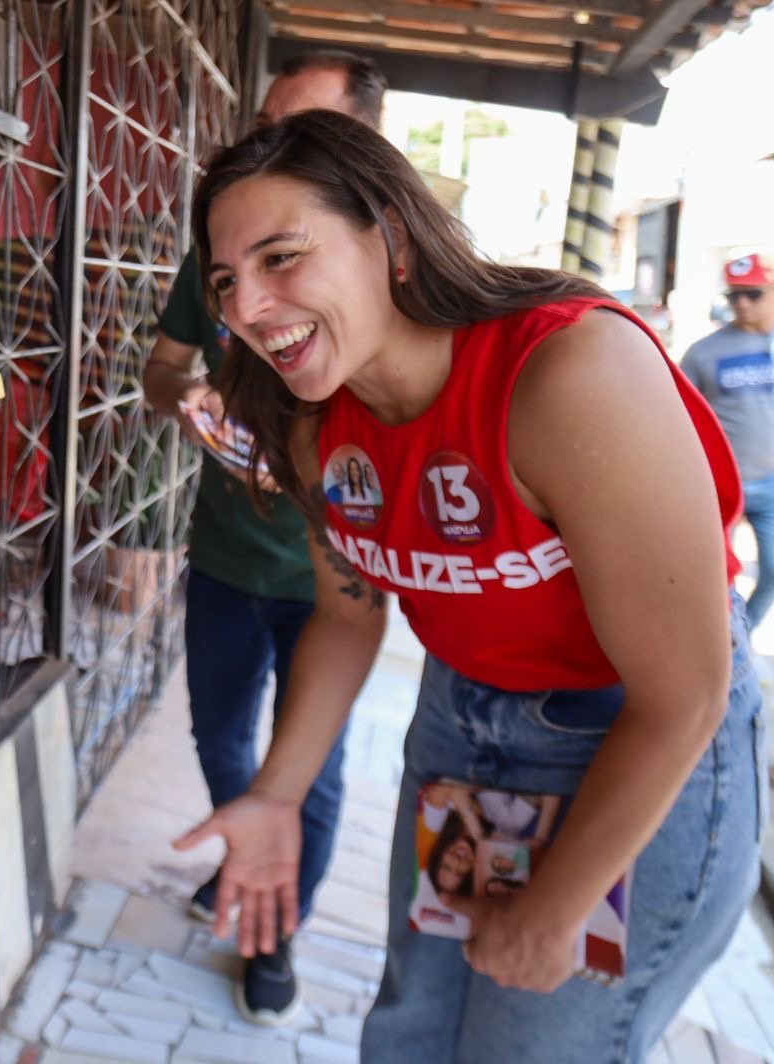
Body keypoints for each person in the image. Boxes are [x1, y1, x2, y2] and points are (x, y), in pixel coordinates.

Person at [174, 111, 764, 1062]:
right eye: (226, 281)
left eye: (282, 256)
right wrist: (277, 795)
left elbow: (685, 690)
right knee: (407, 1032)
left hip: (634, 736)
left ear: (392, 238)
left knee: (531, 1045)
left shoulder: (566, 368)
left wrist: (564, 899)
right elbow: (344, 613)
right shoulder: (313, 425)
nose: (246, 305)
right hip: (460, 723)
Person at [141, 48, 386, 1024]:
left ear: (365, 143)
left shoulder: (394, 276)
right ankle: (251, 849)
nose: (271, 148)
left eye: (305, 130)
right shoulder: (230, 247)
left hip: (331, 573)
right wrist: (190, 394)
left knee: (311, 763)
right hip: (225, 555)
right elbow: (162, 366)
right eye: (265, 124)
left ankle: (273, 935)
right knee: (219, 733)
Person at [680, 252, 774, 628]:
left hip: (771, 484)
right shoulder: (704, 353)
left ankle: (743, 638)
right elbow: (679, 416)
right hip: (721, 486)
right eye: (733, 295)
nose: (742, 303)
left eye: (752, 293)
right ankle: (727, 648)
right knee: (715, 578)